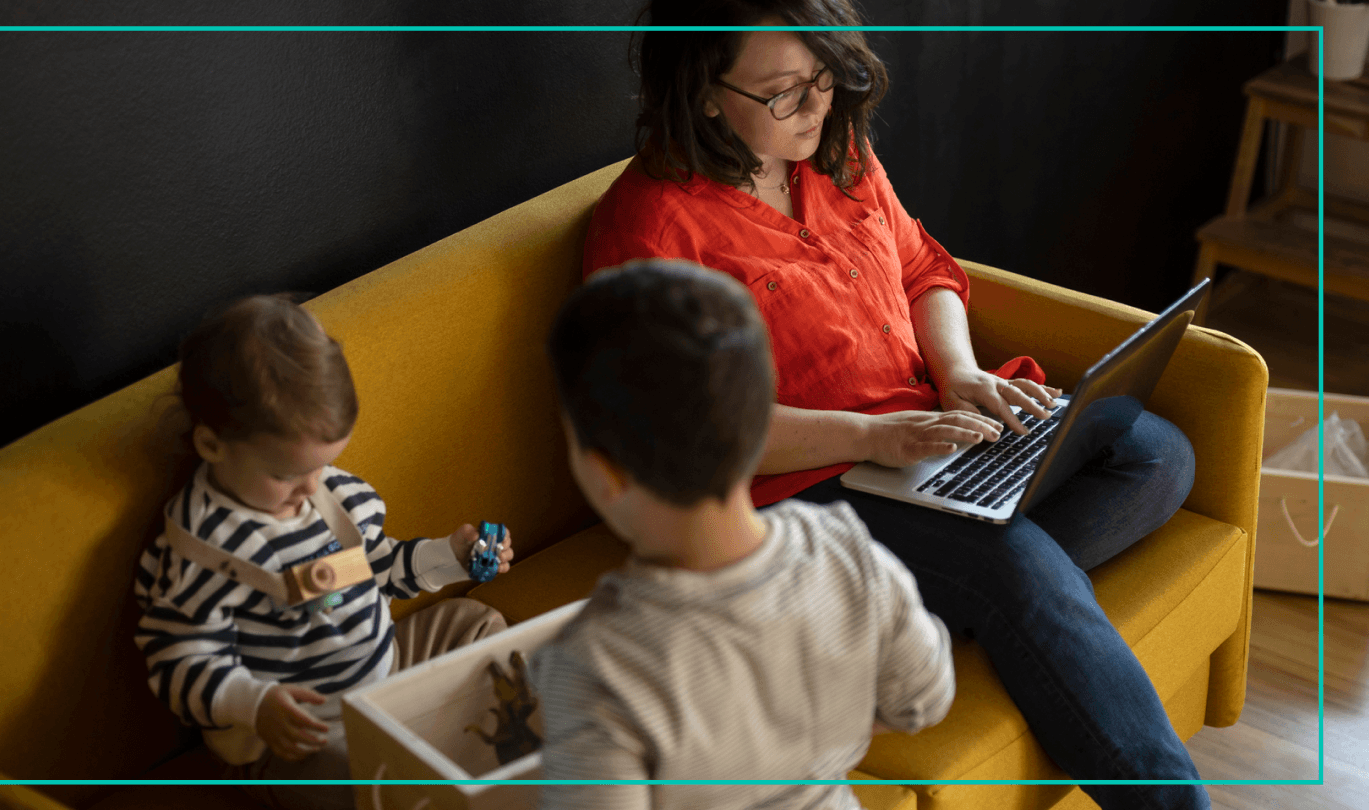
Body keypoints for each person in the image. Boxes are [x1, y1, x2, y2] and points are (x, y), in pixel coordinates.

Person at [581, 2, 1207, 808]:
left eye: (822, 79)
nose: (816, 107)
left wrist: (958, 372)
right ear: (703, 92)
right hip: (802, 486)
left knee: (1153, 454)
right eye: (783, 93)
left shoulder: (837, 152)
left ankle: (934, 608)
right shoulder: (651, 231)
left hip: (921, 432)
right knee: (1014, 565)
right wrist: (872, 437)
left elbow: (921, 269)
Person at [532, 259, 955, 810]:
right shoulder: (848, 550)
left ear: (605, 471)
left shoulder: (598, 665)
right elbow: (926, 696)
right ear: (760, 423)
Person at [133, 294, 514, 810]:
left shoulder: (328, 495)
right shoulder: (203, 548)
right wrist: (257, 703)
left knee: (476, 623)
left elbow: (372, 567)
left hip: (386, 675)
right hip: (300, 734)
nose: (310, 486)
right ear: (211, 445)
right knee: (372, 786)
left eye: (325, 464)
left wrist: (450, 556)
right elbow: (179, 660)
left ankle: (500, 745)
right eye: (287, 474)